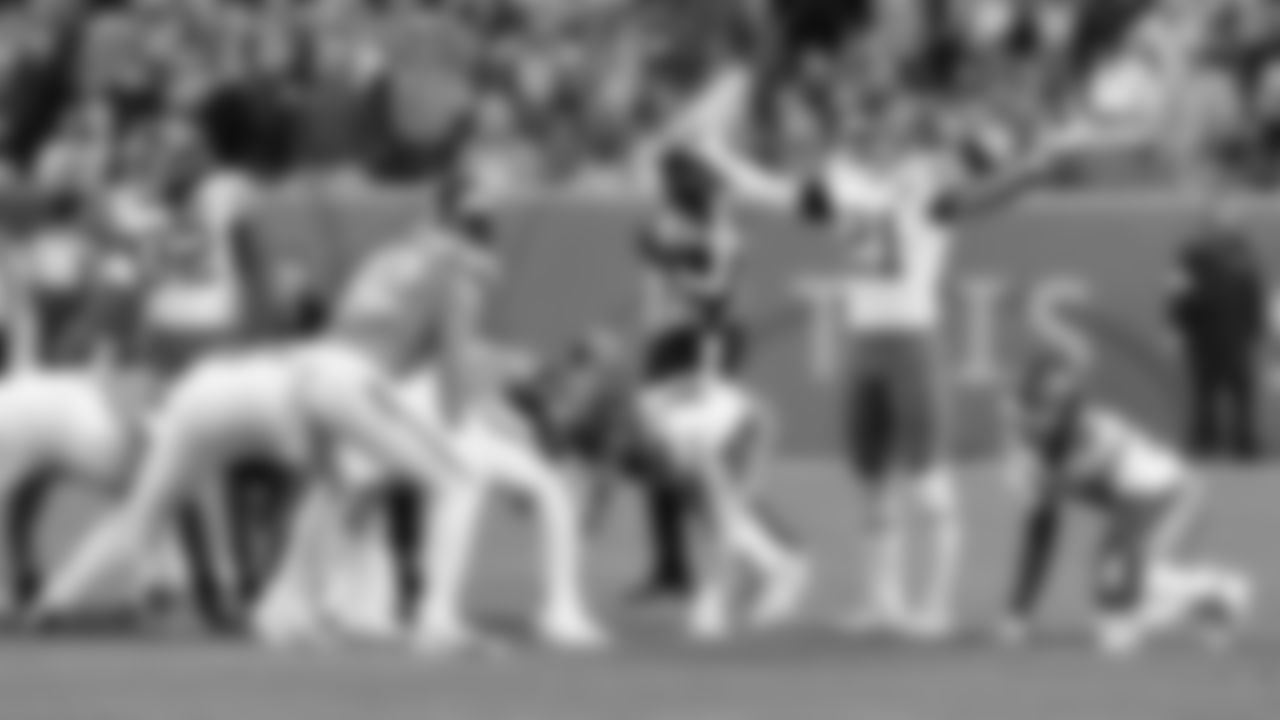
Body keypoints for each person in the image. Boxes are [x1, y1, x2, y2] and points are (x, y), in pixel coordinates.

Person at [996, 351, 1253, 656]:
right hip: (1136, 503)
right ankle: (1211, 602)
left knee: (1118, 592)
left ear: (1065, 410)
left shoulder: (1097, 435)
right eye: (1029, 404)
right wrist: (1019, 612)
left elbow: (1134, 506)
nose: (1031, 416)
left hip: (1171, 494)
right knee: (1115, 608)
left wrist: (1121, 571)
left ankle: (1220, 589)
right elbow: (1042, 533)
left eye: (1042, 407)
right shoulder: (1026, 452)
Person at [628, 144, 750, 601]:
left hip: (696, 343)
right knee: (659, 459)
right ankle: (671, 564)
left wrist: (668, 263)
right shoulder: (673, 222)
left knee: (698, 461)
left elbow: (715, 295)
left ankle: (745, 555)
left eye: (665, 177)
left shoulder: (713, 227)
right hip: (667, 339)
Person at [1168, 199, 1268, 460]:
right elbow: (1178, 289)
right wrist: (1177, 324)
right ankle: (1204, 443)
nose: (1231, 221)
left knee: (1242, 390)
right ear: (1213, 222)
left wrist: (1256, 328)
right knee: (1205, 391)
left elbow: (1253, 292)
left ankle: (1244, 443)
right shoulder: (1193, 253)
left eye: (1235, 217)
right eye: (1225, 216)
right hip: (1204, 335)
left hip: (1236, 335)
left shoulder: (1244, 252)